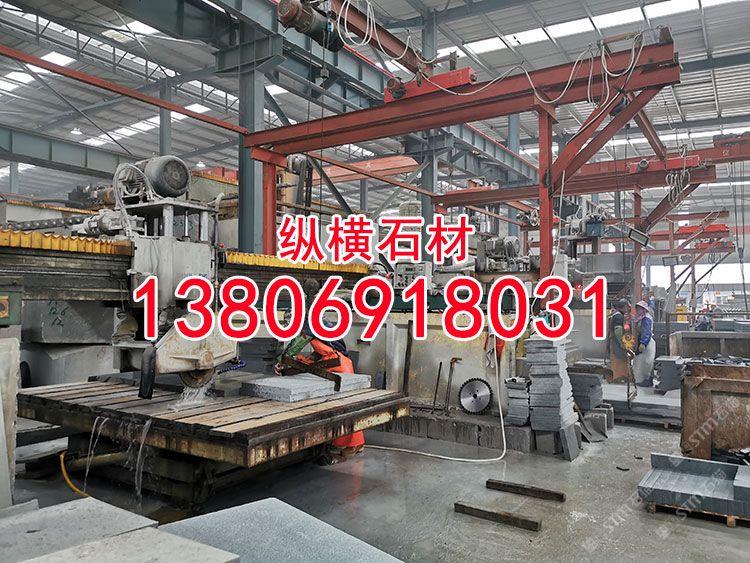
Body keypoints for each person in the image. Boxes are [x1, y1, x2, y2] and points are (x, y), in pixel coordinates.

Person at [294, 321, 365, 464]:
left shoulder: (309, 327)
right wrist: (307, 359)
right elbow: (323, 350)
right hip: (335, 362)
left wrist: (284, 359)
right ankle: (342, 441)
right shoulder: (319, 324)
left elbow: (295, 347)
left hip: (339, 366)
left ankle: (355, 444)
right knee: (336, 408)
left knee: (345, 408)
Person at [632, 300, 656, 387]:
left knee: (645, 363)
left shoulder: (646, 318)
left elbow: (646, 332)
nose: (638, 310)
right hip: (645, 342)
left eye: (640, 308)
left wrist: (643, 343)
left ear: (644, 309)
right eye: (637, 308)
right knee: (647, 363)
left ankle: (645, 380)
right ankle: (647, 380)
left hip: (647, 343)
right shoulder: (641, 318)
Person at [607, 298, 631, 383]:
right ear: (624, 307)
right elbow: (618, 330)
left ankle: (619, 377)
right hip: (616, 342)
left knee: (618, 360)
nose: (628, 309)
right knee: (619, 359)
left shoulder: (616, 315)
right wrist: (621, 343)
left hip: (614, 341)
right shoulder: (619, 316)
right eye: (627, 307)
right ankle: (618, 377)